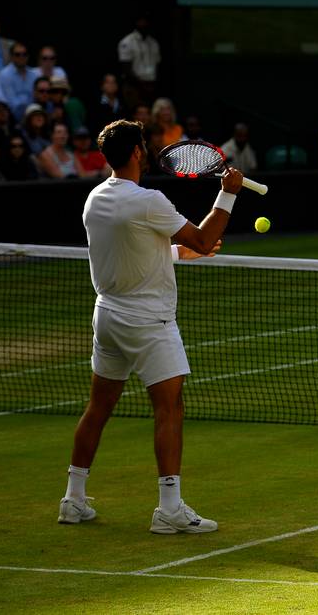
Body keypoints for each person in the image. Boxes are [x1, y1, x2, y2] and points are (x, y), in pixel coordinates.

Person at [60, 119, 241, 533]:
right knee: (170, 408)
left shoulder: (95, 200)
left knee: (99, 407)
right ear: (138, 152)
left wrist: (175, 254)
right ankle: (169, 508)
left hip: (108, 317)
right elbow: (202, 238)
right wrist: (227, 195)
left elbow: (137, 248)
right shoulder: (149, 200)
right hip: (149, 322)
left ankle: (73, 498)